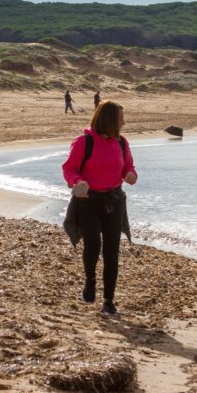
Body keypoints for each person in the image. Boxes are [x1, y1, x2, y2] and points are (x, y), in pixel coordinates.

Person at [61, 101, 137, 316]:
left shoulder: (122, 143)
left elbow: (128, 166)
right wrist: (77, 182)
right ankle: (90, 281)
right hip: (88, 200)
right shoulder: (84, 142)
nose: (123, 122)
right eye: (120, 118)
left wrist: (130, 175)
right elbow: (69, 169)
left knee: (112, 251)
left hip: (114, 200)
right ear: (109, 120)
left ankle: (109, 300)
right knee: (93, 245)